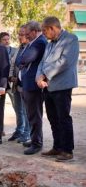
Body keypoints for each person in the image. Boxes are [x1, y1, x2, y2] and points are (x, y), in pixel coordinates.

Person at [36, 16, 79, 162]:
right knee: (53, 118)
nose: (43, 33)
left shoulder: (71, 39)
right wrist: (39, 77)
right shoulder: (49, 44)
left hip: (62, 86)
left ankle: (67, 150)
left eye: (44, 30)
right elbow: (42, 62)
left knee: (63, 118)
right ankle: (57, 147)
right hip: (48, 86)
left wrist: (45, 75)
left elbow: (64, 62)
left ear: (53, 28)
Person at [16, 21, 47, 155]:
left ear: (34, 31)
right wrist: (22, 59)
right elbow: (19, 60)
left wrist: (23, 59)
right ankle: (34, 139)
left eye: (28, 34)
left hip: (34, 85)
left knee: (35, 115)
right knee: (31, 114)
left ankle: (37, 143)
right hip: (27, 84)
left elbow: (25, 59)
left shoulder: (39, 42)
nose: (26, 37)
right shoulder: (32, 42)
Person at [8, 25, 31, 144]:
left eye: (22, 34)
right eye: (19, 34)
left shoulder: (30, 48)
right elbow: (13, 64)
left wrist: (19, 78)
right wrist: (11, 76)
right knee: (18, 110)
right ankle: (19, 130)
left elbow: (27, 67)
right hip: (15, 85)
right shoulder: (18, 49)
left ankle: (27, 133)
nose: (20, 36)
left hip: (25, 85)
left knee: (26, 110)